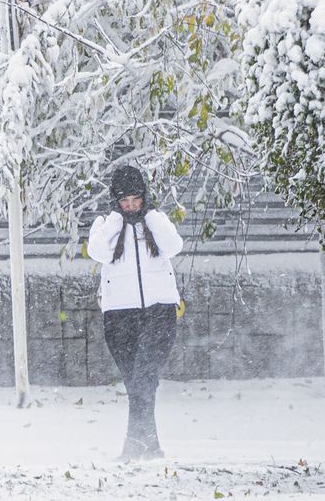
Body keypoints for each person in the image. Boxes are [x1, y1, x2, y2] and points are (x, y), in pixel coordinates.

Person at [86, 166, 184, 461]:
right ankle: (149, 446)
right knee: (137, 382)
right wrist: (117, 219)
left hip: (159, 313)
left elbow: (174, 245)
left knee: (143, 377)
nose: (130, 205)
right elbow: (98, 252)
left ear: (145, 197)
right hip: (119, 317)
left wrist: (151, 214)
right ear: (115, 200)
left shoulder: (156, 222)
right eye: (124, 200)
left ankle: (134, 445)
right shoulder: (105, 224)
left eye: (135, 199)